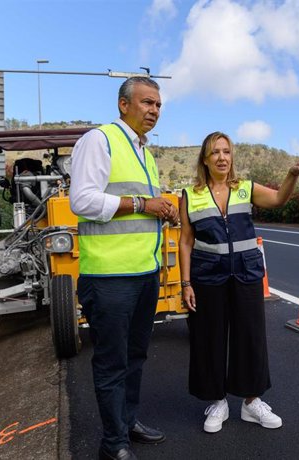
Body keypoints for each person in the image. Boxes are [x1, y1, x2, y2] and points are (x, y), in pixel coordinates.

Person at [69, 76, 179, 460]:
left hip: (144, 274)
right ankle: (112, 443)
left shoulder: (145, 153)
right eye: (147, 103)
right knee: (112, 362)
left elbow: (139, 208)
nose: (154, 110)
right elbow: (81, 200)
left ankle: (128, 422)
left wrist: (163, 210)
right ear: (123, 104)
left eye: (159, 105)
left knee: (136, 357)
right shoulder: (99, 140)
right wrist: (142, 204)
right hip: (110, 278)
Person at [178, 131, 299, 434]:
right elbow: (185, 242)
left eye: (226, 152)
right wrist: (185, 283)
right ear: (205, 158)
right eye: (215, 152)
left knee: (250, 337)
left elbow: (279, 198)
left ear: (232, 157)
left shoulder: (245, 189)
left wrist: (292, 174)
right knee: (209, 338)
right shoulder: (190, 195)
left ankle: (252, 402)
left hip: (246, 274)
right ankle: (218, 401)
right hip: (207, 277)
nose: (222, 157)